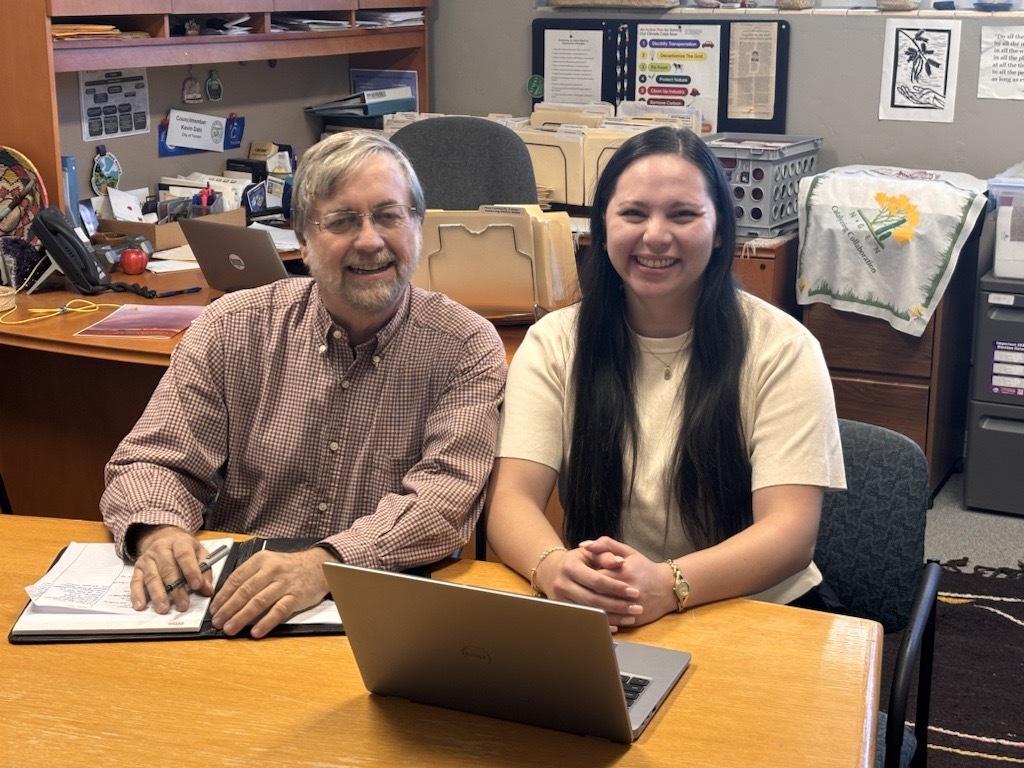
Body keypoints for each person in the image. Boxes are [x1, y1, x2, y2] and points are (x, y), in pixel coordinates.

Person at [101, 131, 507, 638]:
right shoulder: (232, 326)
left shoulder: (465, 346)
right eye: (341, 221)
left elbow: (444, 502)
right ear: (302, 237)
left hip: (383, 612)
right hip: (229, 601)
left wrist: (325, 564)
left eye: (388, 216)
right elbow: (153, 460)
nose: (369, 240)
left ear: (418, 225)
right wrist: (159, 531)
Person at [485, 126, 845, 630]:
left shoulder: (783, 349)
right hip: (610, 612)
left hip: (754, 610)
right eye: (633, 213)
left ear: (720, 229)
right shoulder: (553, 342)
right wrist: (552, 567)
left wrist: (669, 583)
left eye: (683, 214)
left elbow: (789, 532)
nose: (655, 235)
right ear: (603, 227)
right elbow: (511, 499)